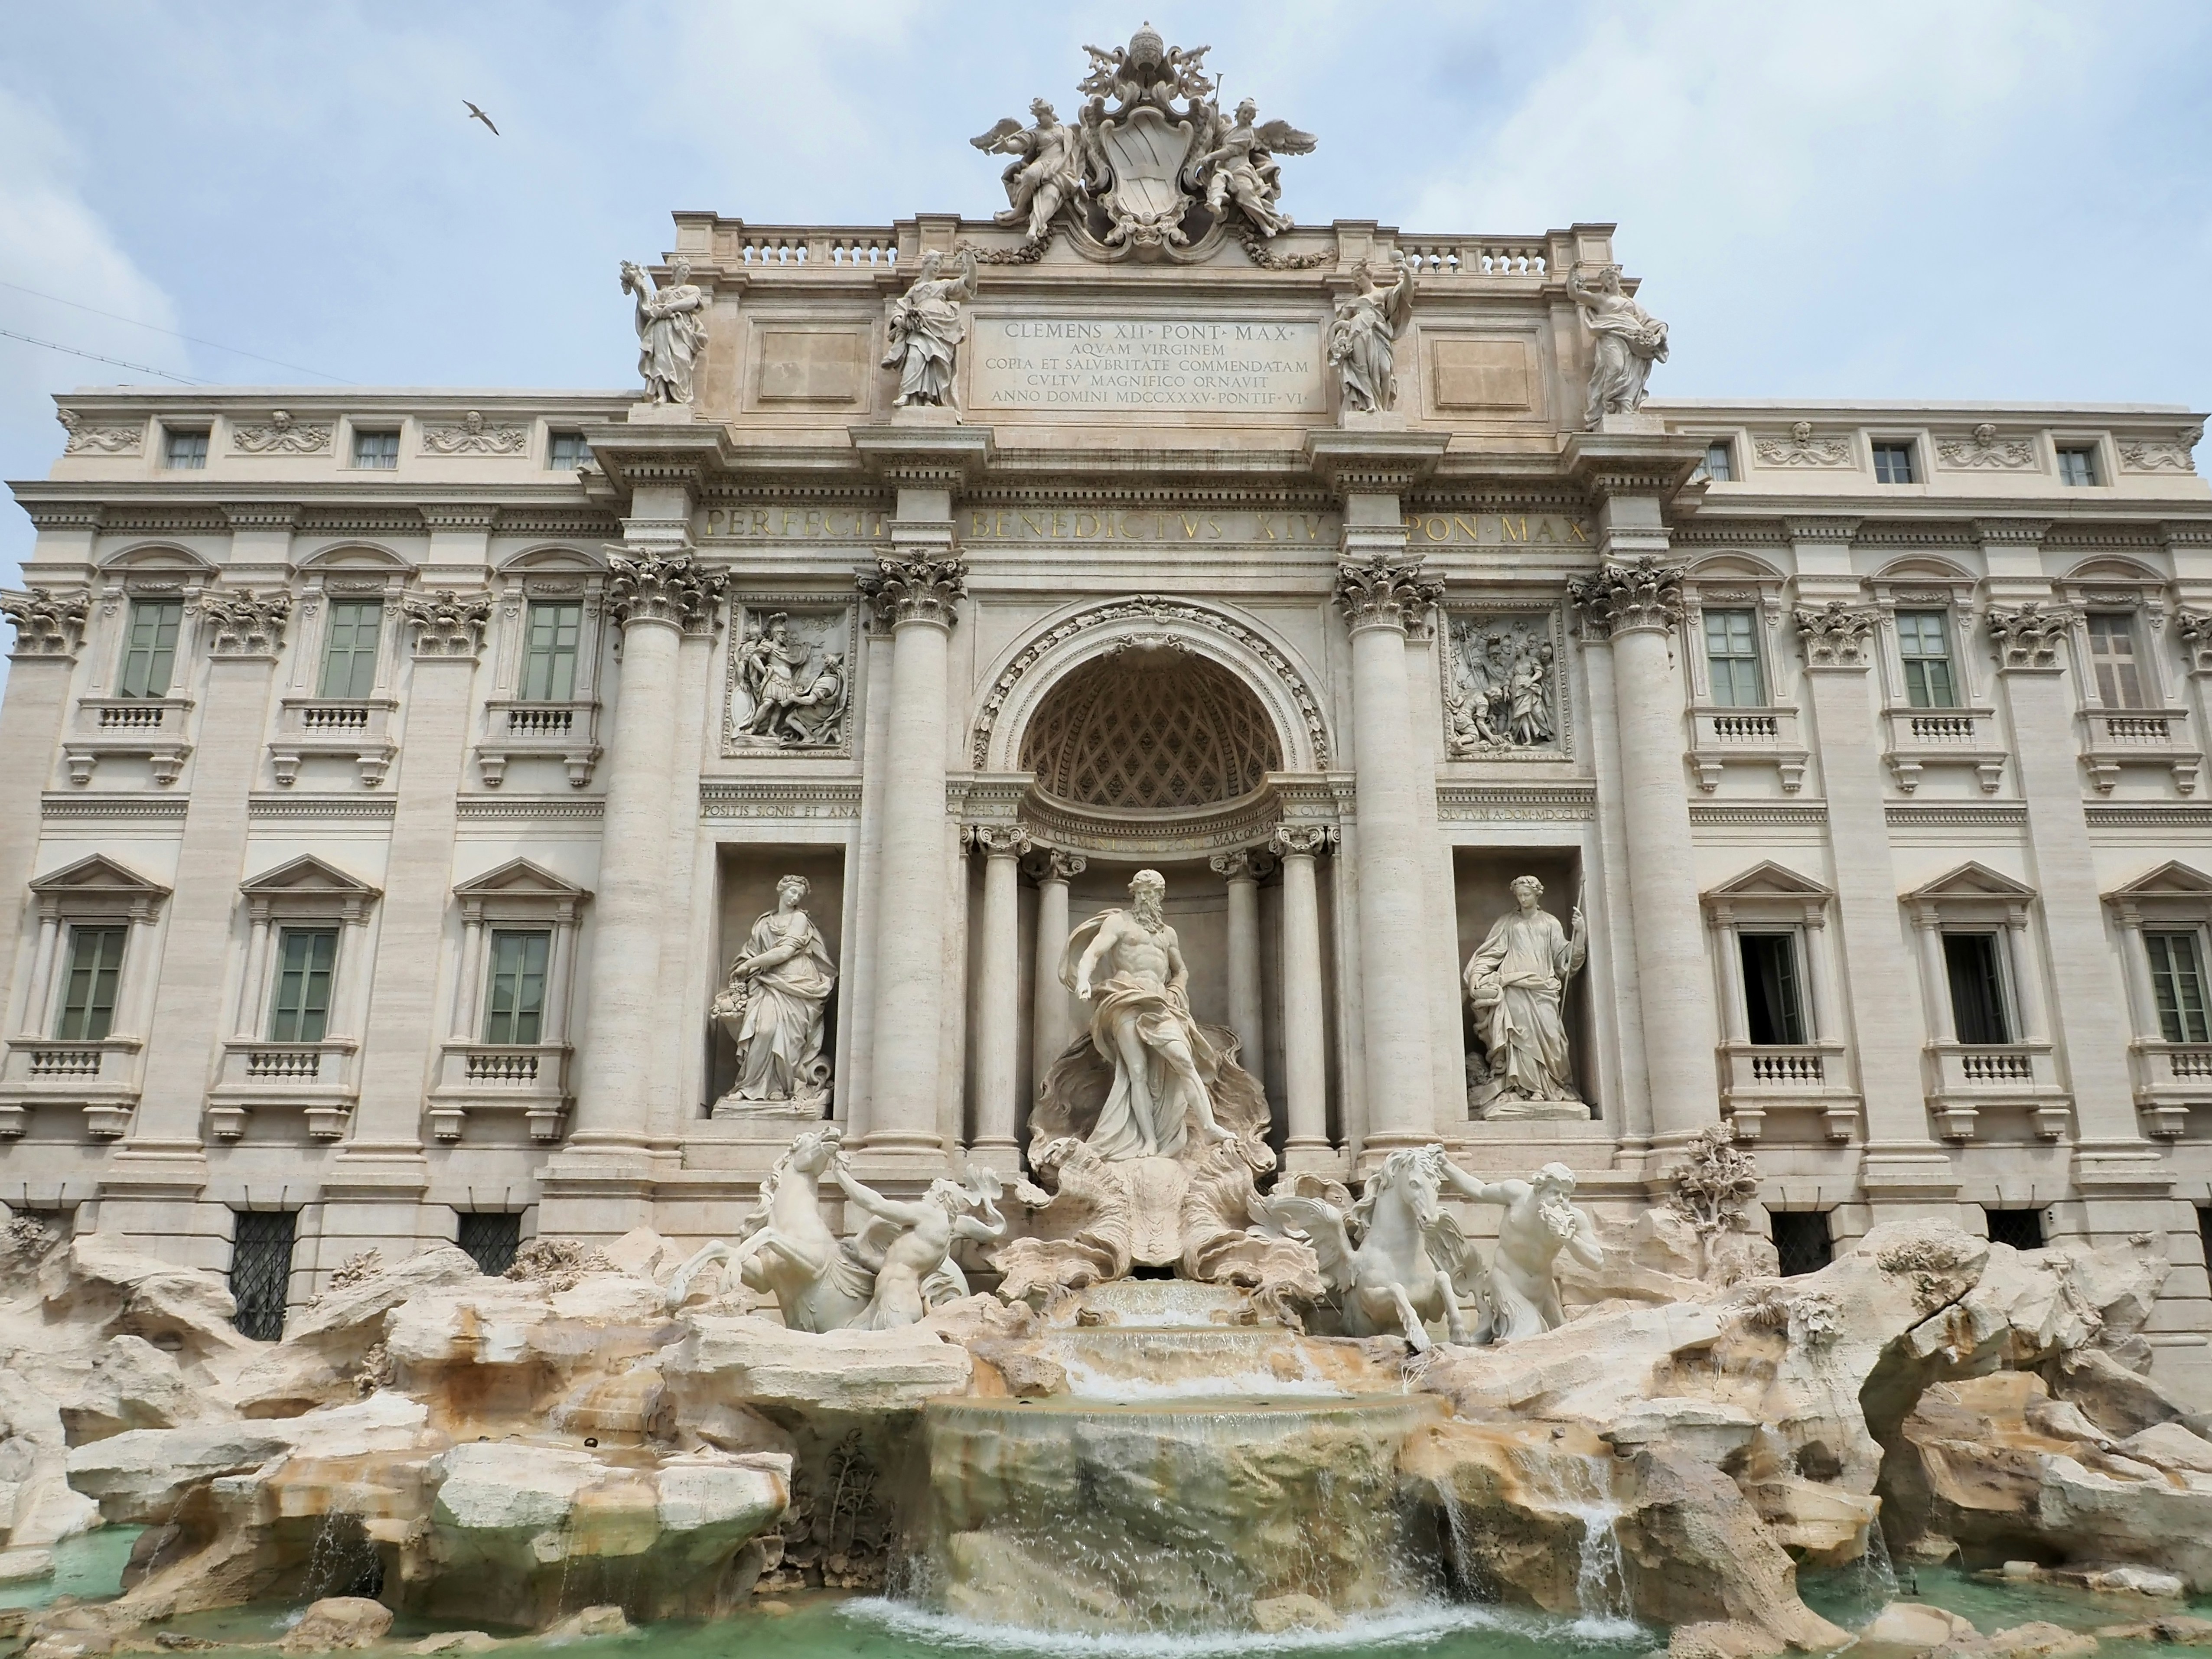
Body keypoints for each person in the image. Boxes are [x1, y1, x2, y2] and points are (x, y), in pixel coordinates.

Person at [1063, 869, 1237, 1159]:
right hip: (1125, 997)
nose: (1147, 897)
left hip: (1159, 1002)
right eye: (1143, 892)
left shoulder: (1167, 933)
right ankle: (1148, 1141)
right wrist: (1083, 979)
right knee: (1138, 1072)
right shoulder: (1118, 922)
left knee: (1183, 1058)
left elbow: (1180, 969)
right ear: (1134, 893)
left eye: (1153, 893)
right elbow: (1092, 953)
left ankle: (1209, 1125)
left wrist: (1175, 990)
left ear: (1161, 896)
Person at [1440, 1160, 1602, 1340]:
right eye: (1555, 1192)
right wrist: (1445, 1165)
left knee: (1561, 1337)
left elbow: (1596, 1262)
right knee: (1527, 1334)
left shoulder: (1575, 1219)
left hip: (1543, 1288)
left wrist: (1569, 1239)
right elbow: (1478, 1191)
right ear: (1539, 1190)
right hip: (1507, 1280)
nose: (1561, 1200)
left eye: (1567, 1195)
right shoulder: (1516, 1195)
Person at [1463, 876, 1586, 1108]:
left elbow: (1565, 960)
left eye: (1526, 895)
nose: (1522, 899)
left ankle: (1552, 1085)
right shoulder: (1508, 922)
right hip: (1514, 987)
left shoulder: (1550, 923)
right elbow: (1492, 954)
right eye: (1519, 895)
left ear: (1537, 894)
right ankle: (1526, 1089)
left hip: (1543, 988)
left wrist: (1579, 934)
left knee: (1552, 1036)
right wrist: (1478, 975)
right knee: (1520, 1038)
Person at [716, 875, 836, 1109]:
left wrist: (749, 966)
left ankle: (780, 1088)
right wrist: (745, 966)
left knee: (789, 1038)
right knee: (764, 1029)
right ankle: (750, 1086)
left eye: (800, 895)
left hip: (797, 982)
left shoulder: (799, 919)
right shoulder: (764, 923)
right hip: (766, 982)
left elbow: (784, 953)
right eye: (792, 892)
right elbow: (750, 951)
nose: (795, 897)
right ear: (781, 891)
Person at [1566, 265, 1668, 429]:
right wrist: (1572, 274)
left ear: (1618, 279)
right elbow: (1574, 294)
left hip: (1633, 338)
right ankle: (1608, 405)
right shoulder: (1601, 300)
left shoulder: (1629, 302)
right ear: (1604, 283)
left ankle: (1625, 406)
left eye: (1613, 278)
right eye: (1608, 279)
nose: (1611, 281)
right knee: (1616, 367)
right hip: (1611, 335)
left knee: (1631, 374)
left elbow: (1649, 321)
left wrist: (1661, 331)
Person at [882, 248, 978, 408]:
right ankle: (906, 394)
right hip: (920, 327)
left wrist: (971, 265)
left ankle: (929, 398)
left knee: (937, 362)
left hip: (943, 328)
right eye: (935, 264)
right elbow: (899, 309)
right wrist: (903, 322)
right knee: (915, 357)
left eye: (940, 266)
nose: (937, 268)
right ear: (925, 264)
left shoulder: (943, 285)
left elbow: (969, 283)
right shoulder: (914, 291)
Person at [1328, 257, 1413, 414]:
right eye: (1355, 278)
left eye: (1360, 275)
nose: (1359, 279)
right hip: (1358, 334)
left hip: (1378, 334)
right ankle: (1371, 404)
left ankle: (1383, 408)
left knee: (1385, 370)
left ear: (1368, 274)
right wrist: (1343, 326)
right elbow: (1336, 325)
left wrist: (1407, 272)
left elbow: (1407, 293)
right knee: (1363, 370)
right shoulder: (1354, 302)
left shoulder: (1384, 292)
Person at [620, 256, 708, 405]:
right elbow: (648, 308)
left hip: (681, 330)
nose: (686, 273)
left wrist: (671, 308)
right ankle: (662, 395)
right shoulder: (662, 293)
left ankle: (678, 395)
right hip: (661, 328)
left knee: (682, 360)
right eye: (683, 270)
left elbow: (693, 302)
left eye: (688, 271)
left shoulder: (692, 290)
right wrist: (638, 287)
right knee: (661, 360)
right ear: (676, 271)